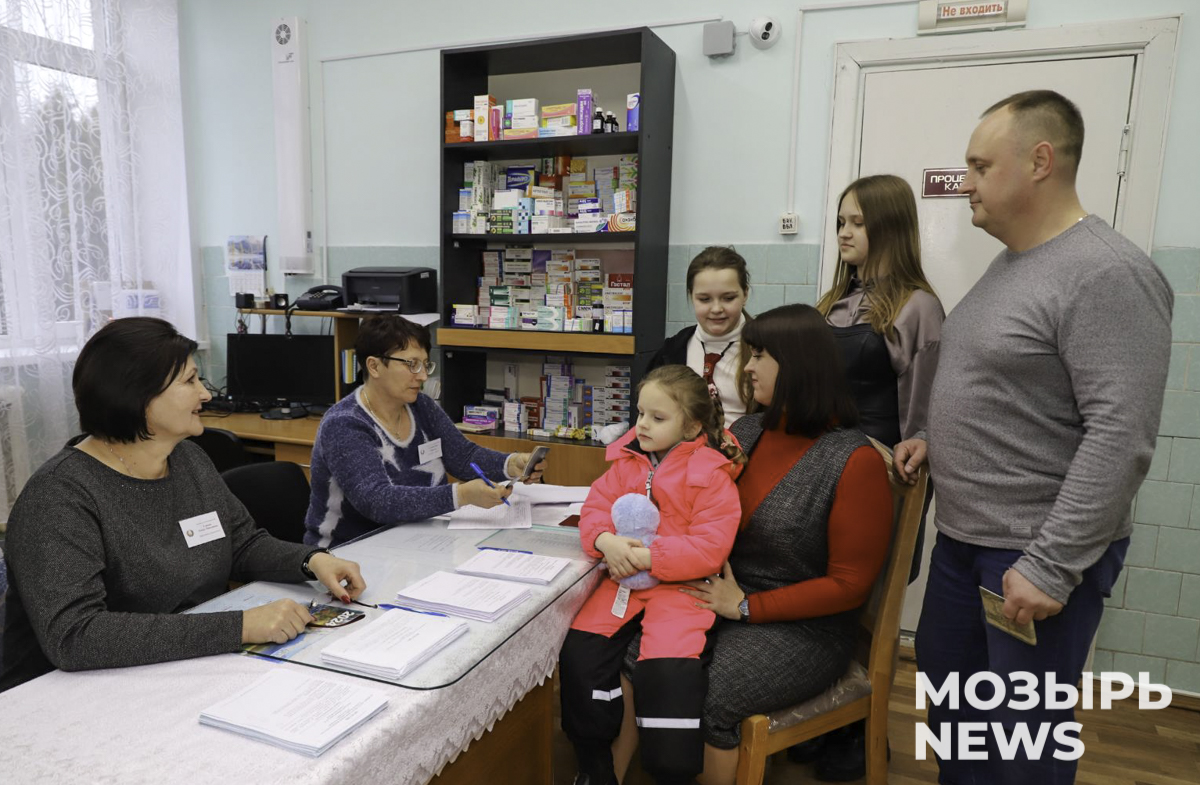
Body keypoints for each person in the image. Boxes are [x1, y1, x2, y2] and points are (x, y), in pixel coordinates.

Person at [915, 90, 1173, 784]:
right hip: (965, 541)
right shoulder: (1010, 265)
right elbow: (1016, 398)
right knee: (957, 713)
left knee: (1022, 744)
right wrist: (936, 442)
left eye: (978, 165)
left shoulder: (1107, 273)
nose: (964, 182)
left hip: (1030, 550)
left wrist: (1051, 564)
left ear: (1039, 161)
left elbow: (1122, 435)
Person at [0, 317, 365, 693]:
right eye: (190, 381)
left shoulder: (187, 459)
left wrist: (311, 561)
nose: (206, 394)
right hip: (59, 697)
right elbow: (77, 636)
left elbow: (241, 543)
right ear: (138, 394)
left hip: (169, 671)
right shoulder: (59, 497)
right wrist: (240, 626)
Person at [614, 304, 895, 785]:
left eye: (759, 355)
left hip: (804, 628)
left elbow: (849, 586)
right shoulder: (743, 434)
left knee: (711, 693)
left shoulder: (855, 460)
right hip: (715, 597)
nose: (746, 367)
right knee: (634, 658)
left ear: (798, 365)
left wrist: (745, 607)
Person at [807, 174, 945, 780]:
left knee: (866, 612)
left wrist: (905, 483)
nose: (843, 232)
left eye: (857, 222)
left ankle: (858, 734)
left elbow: (923, 420)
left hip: (879, 483)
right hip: (820, 478)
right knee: (821, 605)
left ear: (889, 226)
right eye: (840, 221)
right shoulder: (832, 300)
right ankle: (819, 712)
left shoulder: (918, 307)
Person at [559, 365, 745, 785]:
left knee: (667, 674)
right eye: (640, 413)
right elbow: (594, 509)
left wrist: (647, 556)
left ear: (692, 425)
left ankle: (670, 772)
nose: (642, 424)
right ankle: (594, 762)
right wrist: (605, 541)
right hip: (621, 582)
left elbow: (709, 548)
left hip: (682, 590)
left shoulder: (710, 475)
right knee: (580, 654)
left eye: (657, 418)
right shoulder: (627, 461)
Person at [303, 314, 544, 548]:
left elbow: (463, 456)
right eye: (411, 365)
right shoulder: (345, 424)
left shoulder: (421, 406)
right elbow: (377, 501)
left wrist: (511, 464)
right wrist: (460, 495)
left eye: (425, 364)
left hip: (418, 541)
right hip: (349, 552)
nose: (423, 375)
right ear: (374, 366)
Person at [647, 246, 751, 427]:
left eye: (728, 298)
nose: (716, 309)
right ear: (691, 297)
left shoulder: (766, 348)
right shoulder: (672, 351)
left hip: (746, 452)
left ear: (745, 295)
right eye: (704, 299)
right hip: (682, 452)